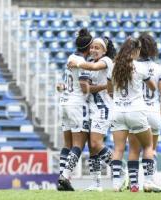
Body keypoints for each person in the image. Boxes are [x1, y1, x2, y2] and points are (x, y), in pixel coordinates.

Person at [107, 37, 158, 192]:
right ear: (136, 51)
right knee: (147, 146)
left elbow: (109, 90)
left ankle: (116, 184)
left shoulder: (113, 67)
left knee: (118, 149)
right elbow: (153, 87)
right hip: (136, 111)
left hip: (117, 111)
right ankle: (148, 182)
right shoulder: (139, 67)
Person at [68, 37, 116, 191]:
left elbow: (94, 69)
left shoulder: (107, 61)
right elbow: (86, 88)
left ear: (105, 50)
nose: (94, 50)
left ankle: (120, 170)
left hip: (103, 109)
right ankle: (96, 183)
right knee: (92, 147)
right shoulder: (89, 62)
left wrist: (79, 63)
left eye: (98, 47)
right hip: (90, 109)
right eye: (93, 47)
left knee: (96, 143)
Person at [127, 33, 161, 193]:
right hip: (153, 112)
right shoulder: (157, 67)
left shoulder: (132, 66)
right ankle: (149, 181)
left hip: (136, 111)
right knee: (150, 148)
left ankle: (133, 184)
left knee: (133, 150)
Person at [57, 28, 93, 191]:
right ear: (88, 47)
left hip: (64, 102)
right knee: (79, 143)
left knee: (67, 143)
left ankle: (61, 178)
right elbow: (85, 88)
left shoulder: (70, 57)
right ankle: (65, 176)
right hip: (77, 105)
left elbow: (66, 81)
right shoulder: (82, 63)